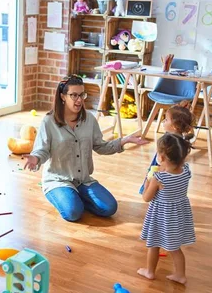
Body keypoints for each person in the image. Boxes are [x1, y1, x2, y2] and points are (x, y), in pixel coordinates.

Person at [23, 74, 148, 222]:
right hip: (58, 180)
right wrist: (35, 157)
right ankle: (65, 196)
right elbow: (42, 150)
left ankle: (76, 195)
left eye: (82, 95)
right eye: (74, 95)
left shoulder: (89, 119)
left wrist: (123, 141)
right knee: (73, 213)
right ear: (63, 97)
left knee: (109, 208)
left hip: (83, 180)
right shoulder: (48, 122)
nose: (79, 100)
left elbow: (100, 146)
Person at [137, 133, 195, 284]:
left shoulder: (159, 178)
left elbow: (146, 197)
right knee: (175, 248)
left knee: (154, 244)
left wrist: (148, 181)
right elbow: (174, 174)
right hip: (177, 215)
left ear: (161, 158)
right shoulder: (186, 171)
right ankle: (181, 275)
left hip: (160, 216)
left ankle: (150, 271)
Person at [139, 101, 195, 194]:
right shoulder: (179, 139)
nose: (163, 121)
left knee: (151, 192)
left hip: (161, 169)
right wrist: (178, 109)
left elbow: (165, 164)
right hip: (168, 172)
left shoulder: (169, 141)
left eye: (166, 120)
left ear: (174, 126)